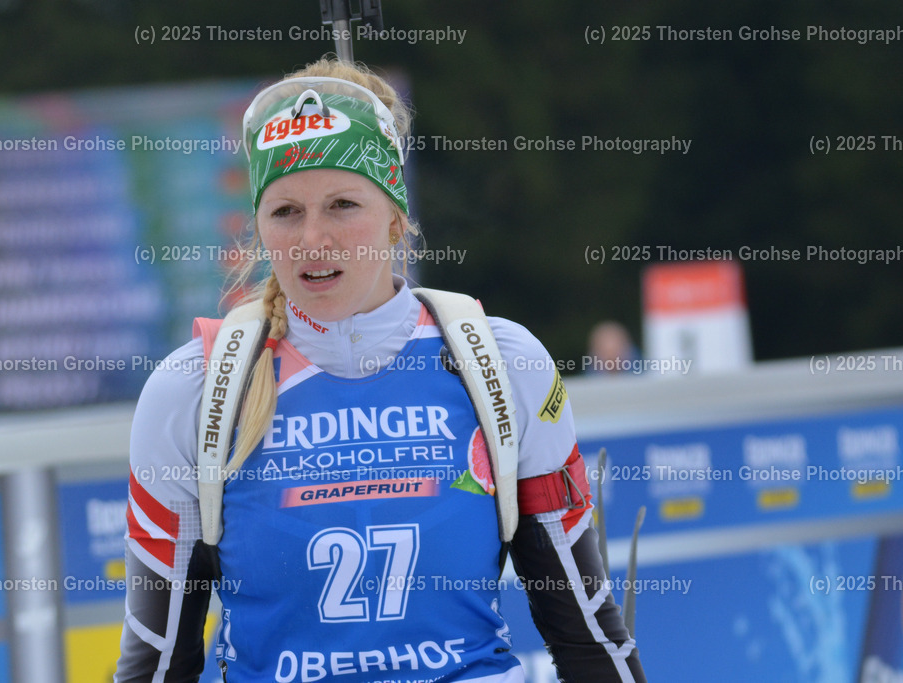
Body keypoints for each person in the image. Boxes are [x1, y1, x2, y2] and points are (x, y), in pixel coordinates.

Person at [115, 57, 646, 683]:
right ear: (257, 223)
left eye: (343, 204)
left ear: (396, 214)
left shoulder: (501, 362)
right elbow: (156, 664)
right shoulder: (195, 388)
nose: (313, 239)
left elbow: (588, 638)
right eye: (285, 211)